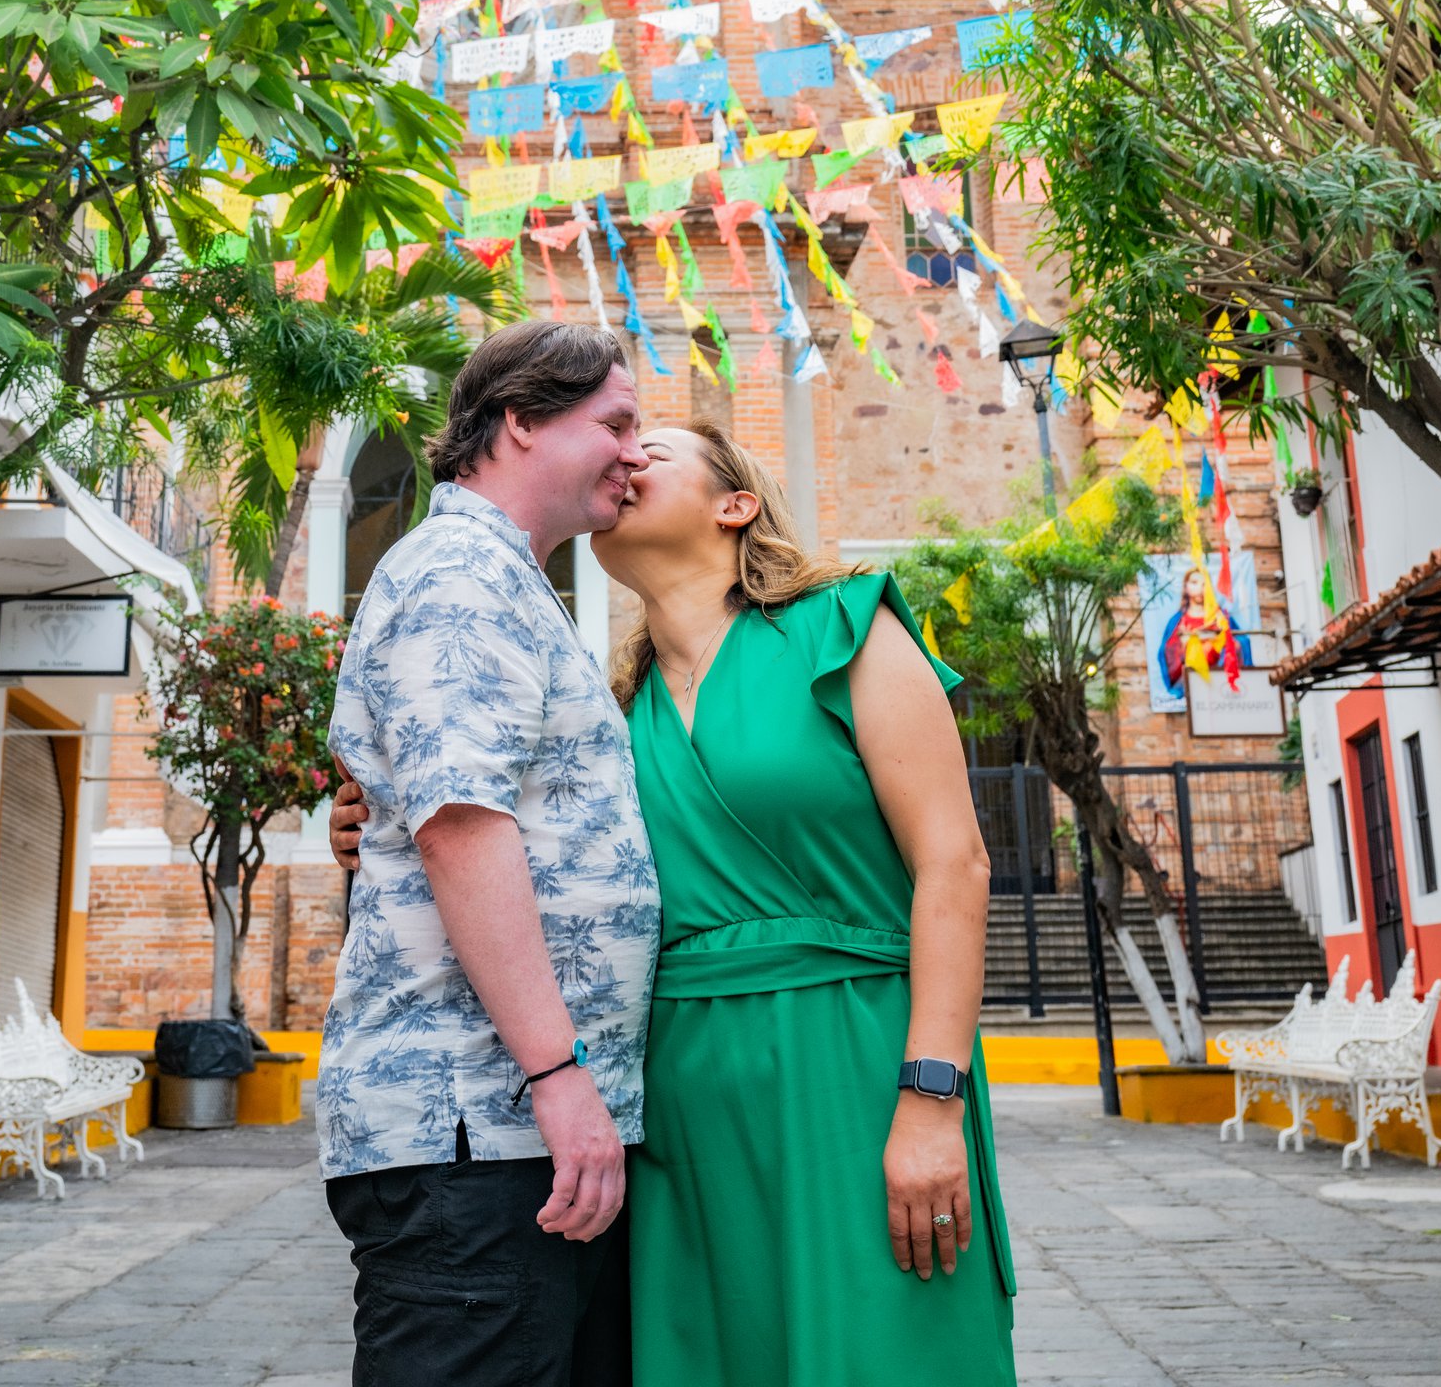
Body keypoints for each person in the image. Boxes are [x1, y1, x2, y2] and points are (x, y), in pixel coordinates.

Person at [334, 385, 1018, 1386]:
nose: (623, 462)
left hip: (856, 1061)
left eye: (647, 449)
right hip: (678, 1094)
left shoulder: (843, 629)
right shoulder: (617, 712)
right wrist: (377, 824)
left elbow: (956, 865)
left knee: (882, 1350)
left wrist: (931, 1097)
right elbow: (519, 844)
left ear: (735, 504)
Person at [317, 319, 658, 1387]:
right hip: (479, 1129)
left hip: (518, 1137)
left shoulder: (506, 577)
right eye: (616, 424)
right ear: (520, 422)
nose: (636, 452)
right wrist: (558, 1077)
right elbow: (462, 825)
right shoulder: (461, 570)